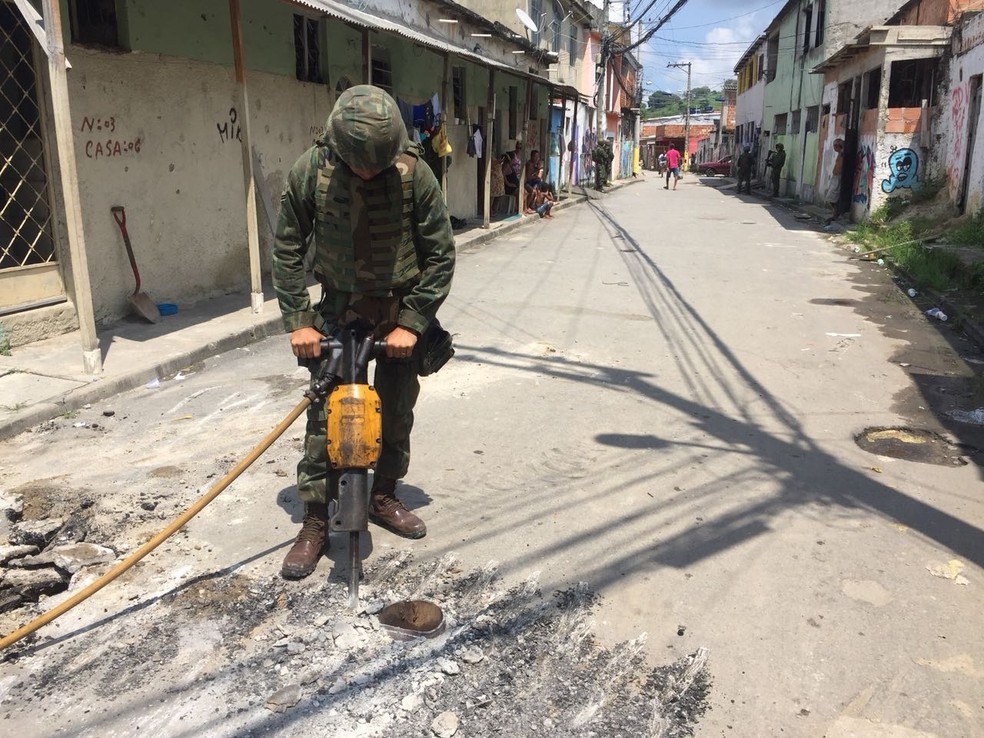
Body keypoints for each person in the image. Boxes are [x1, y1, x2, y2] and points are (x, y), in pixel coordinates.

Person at [272, 85, 456, 580]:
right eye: (361, 164)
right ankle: (314, 520)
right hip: (339, 312)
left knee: (395, 413)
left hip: (399, 316)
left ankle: (383, 495)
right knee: (323, 423)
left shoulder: (416, 174)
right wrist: (299, 321)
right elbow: (287, 249)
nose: (371, 172)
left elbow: (441, 255)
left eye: (379, 163)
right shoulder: (310, 170)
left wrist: (413, 323)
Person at [824, 138, 845, 226]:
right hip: (835, 176)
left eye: (834, 146)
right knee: (831, 197)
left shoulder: (843, 153)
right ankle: (835, 213)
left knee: (832, 197)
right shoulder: (840, 154)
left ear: (837, 146)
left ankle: (836, 214)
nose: (833, 148)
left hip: (838, 177)